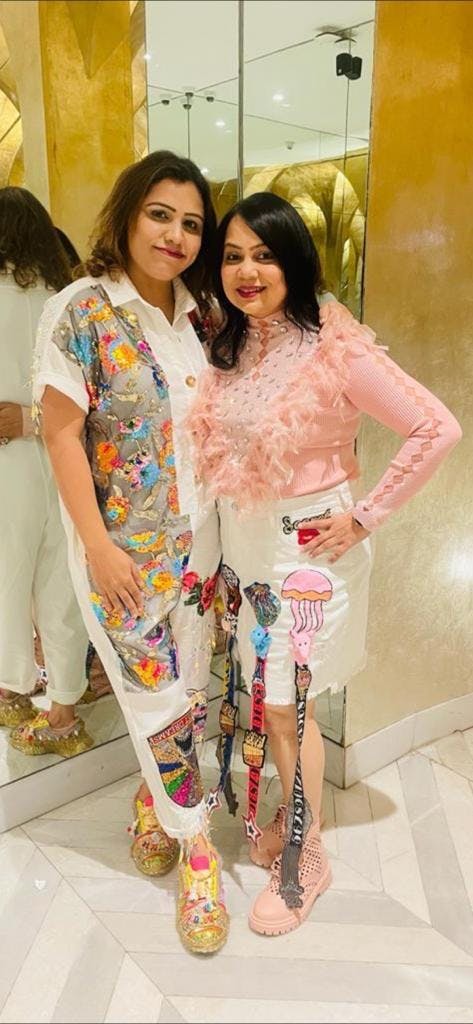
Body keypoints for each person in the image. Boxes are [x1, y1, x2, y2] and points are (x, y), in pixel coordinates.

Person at [188, 191, 462, 937]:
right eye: (233, 256)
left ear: (295, 261)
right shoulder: (232, 344)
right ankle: (294, 808)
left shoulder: (336, 348)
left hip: (306, 555)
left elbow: (435, 427)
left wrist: (365, 515)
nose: (247, 272)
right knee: (271, 702)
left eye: (264, 255)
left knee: (288, 706)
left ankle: (306, 856)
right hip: (247, 553)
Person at [34, 150, 228, 954]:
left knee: (189, 690)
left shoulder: (202, 316)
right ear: (126, 214)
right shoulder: (80, 310)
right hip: (122, 557)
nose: (174, 235)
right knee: (153, 700)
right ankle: (199, 848)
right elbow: (60, 433)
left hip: (201, 546)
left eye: (191, 223)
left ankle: (152, 800)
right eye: (159, 214)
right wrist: (96, 547)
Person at [0, 187, 90, 753]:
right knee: (63, 582)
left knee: (5, 577)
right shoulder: (70, 301)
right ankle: (64, 712)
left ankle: (10, 691)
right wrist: (34, 420)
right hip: (65, 454)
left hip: (6, 462)